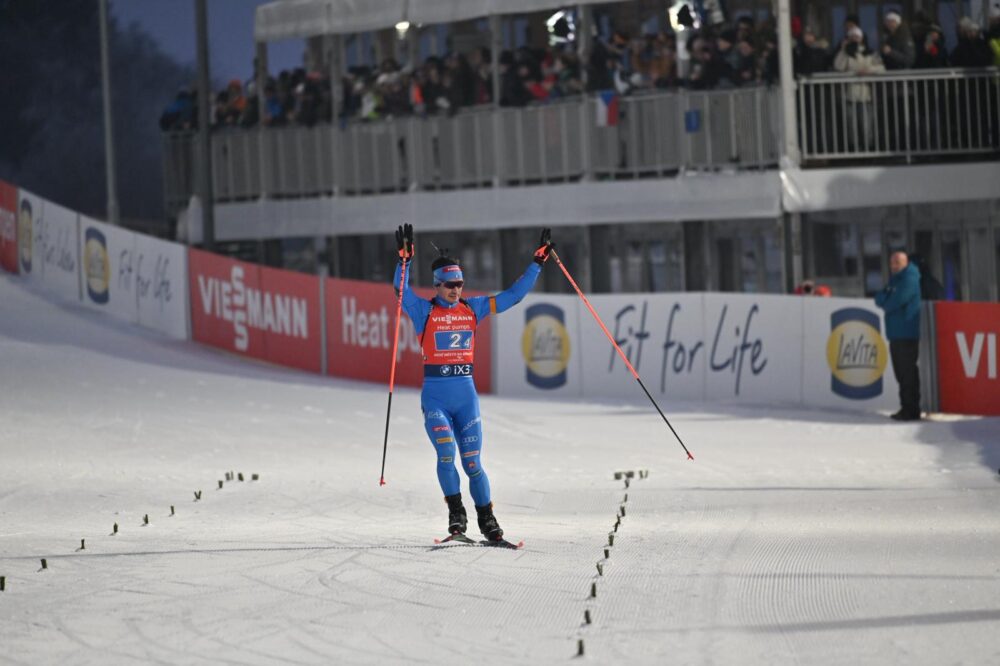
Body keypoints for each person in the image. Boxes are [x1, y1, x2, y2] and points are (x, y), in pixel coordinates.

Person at [392, 224, 553, 541]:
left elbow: (513, 296)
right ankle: (456, 515)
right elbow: (401, 290)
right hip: (436, 399)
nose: (455, 289)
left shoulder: (473, 308)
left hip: (466, 399)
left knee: (473, 463)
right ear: (437, 285)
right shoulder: (422, 310)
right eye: (450, 284)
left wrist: (537, 263)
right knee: (446, 454)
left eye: (460, 283)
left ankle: (487, 520)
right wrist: (404, 261)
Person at [874, 251, 922, 421]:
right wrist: (887, 298)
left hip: (906, 333)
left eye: (897, 262)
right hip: (896, 333)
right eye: (892, 262)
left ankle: (910, 410)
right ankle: (907, 407)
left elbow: (895, 301)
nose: (894, 265)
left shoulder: (909, 278)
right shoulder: (896, 279)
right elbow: (879, 298)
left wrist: (887, 299)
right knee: (901, 373)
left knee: (907, 373)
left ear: (905, 262)